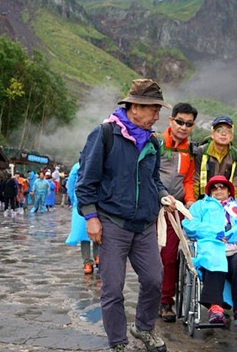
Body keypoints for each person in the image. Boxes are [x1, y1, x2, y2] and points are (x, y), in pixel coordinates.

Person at [76, 78, 176, 352]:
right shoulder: (105, 134)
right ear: (134, 107)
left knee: (154, 280)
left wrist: (163, 195)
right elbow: (85, 182)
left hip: (143, 226)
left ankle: (143, 328)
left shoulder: (153, 142)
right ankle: (118, 342)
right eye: (154, 109)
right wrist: (91, 217)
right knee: (113, 288)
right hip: (112, 224)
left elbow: (154, 180)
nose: (157, 116)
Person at [182, 175, 237, 324]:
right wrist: (214, 232)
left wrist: (230, 235)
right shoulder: (200, 205)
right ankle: (215, 308)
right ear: (209, 191)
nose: (218, 190)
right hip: (211, 247)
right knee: (214, 258)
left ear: (229, 191)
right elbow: (189, 225)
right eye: (214, 187)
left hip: (234, 246)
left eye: (222, 187)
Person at [158, 102, 198, 322]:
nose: (183, 127)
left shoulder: (190, 149)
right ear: (171, 120)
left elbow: (189, 179)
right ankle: (150, 298)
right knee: (148, 257)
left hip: (176, 211)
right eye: (180, 122)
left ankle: (165, 301)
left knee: (169, 258)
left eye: (188, 124)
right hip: (152, 208)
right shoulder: (155, 142)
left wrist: (190, 200)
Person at [193, 116, 237, 199]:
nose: (223, 134)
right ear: (212, 135)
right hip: (203, 200)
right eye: (219, 130)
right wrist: (194, 204)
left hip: (227, 202)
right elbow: (195, 179)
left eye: (228, 131)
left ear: (232, 137)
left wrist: (234, 205)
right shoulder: (201, 152)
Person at [65, 162, 99, 274]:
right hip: (96, 201)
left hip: (80, 202)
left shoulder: (77, 166)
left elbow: (70, 185)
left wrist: (73, 199)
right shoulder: (99, 161)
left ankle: (87, 263)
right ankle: (98, 257)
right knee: (97, 231)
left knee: (84, 234)